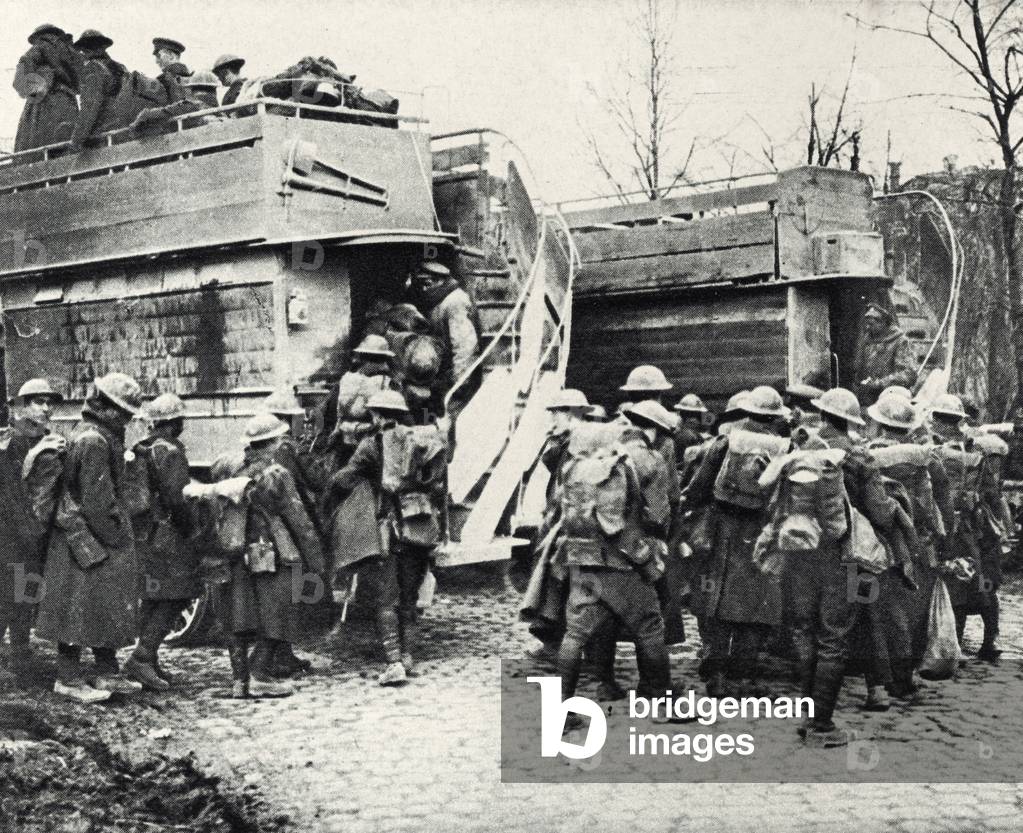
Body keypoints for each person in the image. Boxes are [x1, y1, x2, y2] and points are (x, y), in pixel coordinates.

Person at [791, 387, 903, 746]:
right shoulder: (859, 456)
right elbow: (880, 512)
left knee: (807, 631)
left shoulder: (802, 448)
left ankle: (808, 714)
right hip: (847, 556)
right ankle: (823, 724)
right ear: (852, 420)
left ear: (823, 415)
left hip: (802, 551)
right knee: (837, 635)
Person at [554, 421, 674, 725]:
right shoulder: (616, 470)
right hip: (619, 565)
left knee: (575, 634)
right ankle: (661, 702)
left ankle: (562, 711)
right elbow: (617, 526)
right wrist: (646, 561)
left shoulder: (571, 469)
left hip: (582, 561)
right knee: (650, 627)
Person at [35, 372, 145, 703]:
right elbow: (98, 502)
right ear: (106, 407)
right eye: (123, 411)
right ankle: (68, 679)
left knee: (99, 605)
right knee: (76, 608)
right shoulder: (94, 441)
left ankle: (106, 672)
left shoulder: (93, 435)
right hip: (82, 538)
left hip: (85, 536)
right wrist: (117, 537)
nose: (126, 419)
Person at [328, 390, 446, 686]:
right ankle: (408, 656)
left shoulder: (372, 444)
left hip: (390, 530)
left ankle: (393, 662)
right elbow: (438, 483)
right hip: (419, 526)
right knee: (410, 597)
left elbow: (346, 478)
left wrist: (333, 484)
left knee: (386, 599)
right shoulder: (423, 440)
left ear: (377, 415)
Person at [680, 385, 790, 698]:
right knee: (757, 605)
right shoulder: (785, 446)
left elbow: (699, 486)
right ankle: (744, 677)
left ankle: (715, 674)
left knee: (717, 602)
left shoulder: (726, 441)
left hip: (723, 530)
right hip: (762, 533)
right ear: (774, 416)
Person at [219, 414, 325, 698]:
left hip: (239, 551)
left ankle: (240, 680)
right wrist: (316, 562)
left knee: (242, 615)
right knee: (278, 612)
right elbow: (298, 519)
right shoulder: (276, 473)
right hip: (274, 551)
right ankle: (259, 675)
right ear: (275, 442)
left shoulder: (236, 469)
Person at [865, 392, 948, 696]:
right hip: (916, 542)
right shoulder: (921, 458)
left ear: (880, 423)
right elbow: (930, 504)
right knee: (914, 610)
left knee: (879, 611)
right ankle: (905, 675)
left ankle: (880, 678)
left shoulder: (867, 454)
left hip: (878, 542)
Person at [123, 394, 199, 692]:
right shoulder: (170, 451)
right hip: (168, 536)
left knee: (154, 595)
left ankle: (148, 659)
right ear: (174, 422)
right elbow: (176, 499)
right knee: (179, 594)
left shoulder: (141, 448)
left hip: (144, 533)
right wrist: (191, 530)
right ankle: (142, 657)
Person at [0, 379, 66, 683]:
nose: (46, 408)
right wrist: (39, 450)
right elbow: (14, 488)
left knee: (25, 594)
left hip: (35, 530)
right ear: (24, 406)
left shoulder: (46, 438)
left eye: (49, 402)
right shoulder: (15, 440)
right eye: (38, 402)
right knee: (10, 595)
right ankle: (15, 659)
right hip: (13, 531)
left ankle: (20, 656)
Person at [520, 388, 592, 664]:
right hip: (557, 517)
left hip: (572, 522)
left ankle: (568, 647)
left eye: (557, 413)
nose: (553, 418)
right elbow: (552, 467)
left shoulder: (583, 440)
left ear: (572, 414)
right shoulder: (565, 440)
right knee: (552, 581)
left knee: (565, 583)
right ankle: (554, 642)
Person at [927, 394, 999, 663]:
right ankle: (958, 643)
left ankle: (951, 645)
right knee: (967, 582)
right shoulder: (974, 452)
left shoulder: (928, 447)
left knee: (960, 583)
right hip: (966, 526)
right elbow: (989, 490)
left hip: (945, 525)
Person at [320, 335, 396, 471]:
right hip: (371, 449)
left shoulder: (345, 380)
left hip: (344, 445)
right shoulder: (387, 384)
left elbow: (328, 413)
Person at [409, 262, 479, 388]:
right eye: (422, 285)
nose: (424, 289)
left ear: (440, 281)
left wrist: (460, 383)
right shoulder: (439, 300)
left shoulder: (455, 302)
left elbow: (465, 345)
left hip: (457, 378)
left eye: (428, 284)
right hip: (444, 376)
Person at [13, 24, 81, 152]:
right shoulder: (70, 51)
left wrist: (33, 88)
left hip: (46, 100)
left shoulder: (41, 46)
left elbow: (23, 69)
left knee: (38, 142)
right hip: (68, 100)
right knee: (65, 139)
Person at [68, 30, 125, 151]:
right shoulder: (121, 68)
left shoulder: (92, 69)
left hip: (103, 138)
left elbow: (89, 109)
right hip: (123, 132)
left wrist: (75, 142)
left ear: (85, 50)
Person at [855, 303, 917, 406]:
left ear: (883, 323)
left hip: (890, 400)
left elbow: (909, 374)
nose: (867, 327)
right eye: (866, 323)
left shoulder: (900, 341)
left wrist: (880, 383)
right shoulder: (867, 340)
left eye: (871, 324)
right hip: (867, 399)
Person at [153, 37, 189, 102]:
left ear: (171, 56)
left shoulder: (163, 80)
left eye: (158, 56)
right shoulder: (192, 78)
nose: (156, 61)